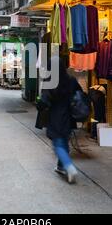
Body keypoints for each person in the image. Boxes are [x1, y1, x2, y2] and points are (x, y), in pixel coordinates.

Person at [38, 56, 82, 184]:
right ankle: (61, 166)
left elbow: (44, 102)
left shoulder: (50, 82)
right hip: (69, 117)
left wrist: (39, 104)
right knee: (64, 141)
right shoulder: (71, 80)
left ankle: (69, 166)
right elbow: (79, 93)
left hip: (56, 117)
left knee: (58, 144)